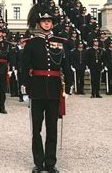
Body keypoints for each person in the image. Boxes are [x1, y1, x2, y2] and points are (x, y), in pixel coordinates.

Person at [22, 10, 72, 173]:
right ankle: (38, 162)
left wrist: (68, 86)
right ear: (39, 24)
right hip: (36, 90)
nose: (46, 24)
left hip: (54, 89)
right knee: (36, 128)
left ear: (52, 24)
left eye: (49, 21)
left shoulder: (60, 43)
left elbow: (66, 66)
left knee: (52, 128)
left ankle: (50, 162)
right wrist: (25, 88)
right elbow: (24, 67)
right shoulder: (31, 43)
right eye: (44, 21)